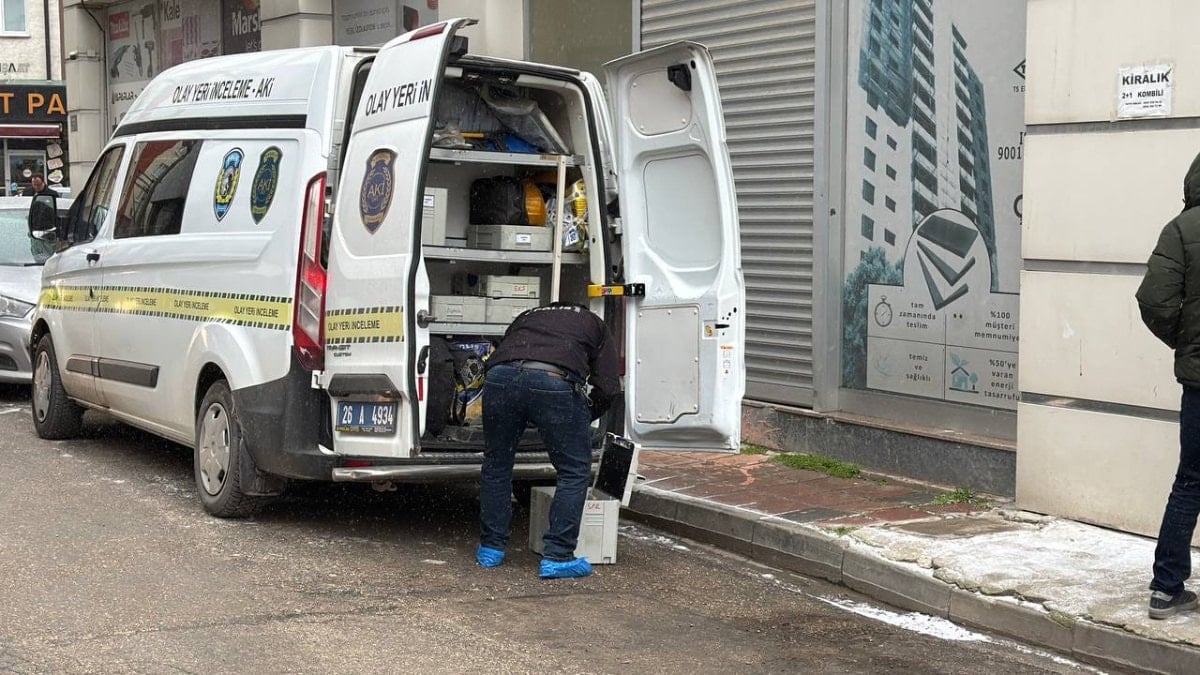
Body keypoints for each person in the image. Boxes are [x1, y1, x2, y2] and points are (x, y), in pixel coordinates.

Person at [476, 301, 620, 579]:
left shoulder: (527, 315)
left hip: (499, 379)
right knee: (574, 470)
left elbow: (509, 355)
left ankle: (491, 549)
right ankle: (558, 556)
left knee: (497, 464)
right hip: (554, 381)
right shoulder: (595, 324)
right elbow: (608, 387)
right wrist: (584, 416)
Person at [1136, 150, 1200, 619]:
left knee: (1191, 481)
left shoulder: (1182, 230)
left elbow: (1155, 301)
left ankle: (1166, 588)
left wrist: (1187, 341)